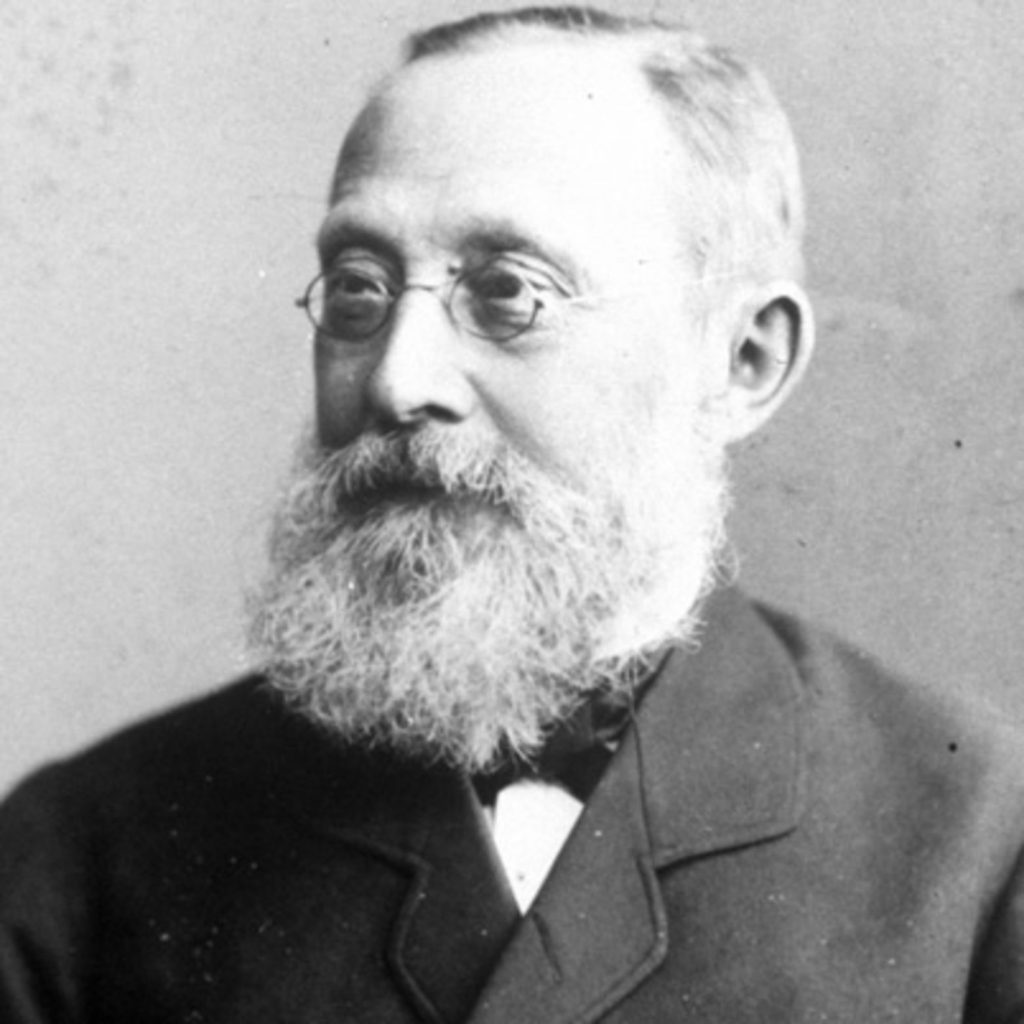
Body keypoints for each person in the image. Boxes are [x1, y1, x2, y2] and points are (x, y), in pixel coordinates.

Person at [2, 6, 1023, 1022]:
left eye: (506, 293)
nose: (398, 380)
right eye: (358, 289)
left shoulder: (983, 851)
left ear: (742, 361)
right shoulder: (71, 861)